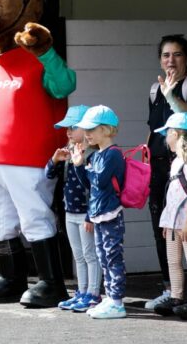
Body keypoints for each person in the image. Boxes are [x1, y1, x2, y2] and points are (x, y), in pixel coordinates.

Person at [145, 34, 187, 310]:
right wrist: (146, 163)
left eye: (177, 54)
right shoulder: (154, 89)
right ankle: (171, 289)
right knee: (162, 229)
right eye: (165, 55)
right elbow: (153, 129)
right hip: (160, 166)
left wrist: (172, 96)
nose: (170, 60)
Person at [72, 105, 127, 319]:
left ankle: (117, 302)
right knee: (103, 257)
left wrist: (85, 167)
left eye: (91, 129)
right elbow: (89, 184)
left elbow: (101, 181)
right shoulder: (95, 156)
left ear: (105, 129)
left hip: (111, 213)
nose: (87, 134)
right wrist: (80, 165)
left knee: (113, 257)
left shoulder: (113, 154)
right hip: (98, 213)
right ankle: (110, 298)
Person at [47, 105, 102, 313]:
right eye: (67, 128)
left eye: (72, 127)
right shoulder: (68, 151)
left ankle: (93, 294)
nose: (68, 132)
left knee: (90, 255)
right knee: (78, 255)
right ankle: (82, 291)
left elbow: (94, 187)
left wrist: (91, 215)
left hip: (87, 213)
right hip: (70, 211)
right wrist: (55, 160)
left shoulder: (93, 154)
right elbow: (48, 175)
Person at [153, 112, 187, 320]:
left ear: (174, 134)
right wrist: (168, 222)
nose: (165, 139)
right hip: (173, 222)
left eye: (167, 134)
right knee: (173, 261)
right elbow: (173, 195)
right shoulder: (176, 161)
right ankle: (176, 296)